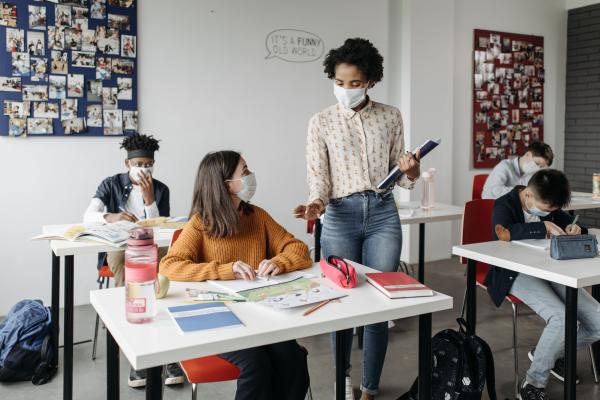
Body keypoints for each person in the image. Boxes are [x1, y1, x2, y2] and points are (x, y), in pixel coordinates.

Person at [294, 38, 420, 400]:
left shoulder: (390, 115)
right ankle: (341, 381)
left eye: (354, 82)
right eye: (339, 82)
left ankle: (369, 388)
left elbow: (404, 173)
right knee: (341, 302)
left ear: (370, 81)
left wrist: (412, 170)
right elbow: (318, 175)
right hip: (339, 215)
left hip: (383, 212)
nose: (345, 89)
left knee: (381, 303)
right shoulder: (321, 122)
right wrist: (316, 204)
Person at [160, 151, 311, 400]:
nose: (251, 176)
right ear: (225, 185)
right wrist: (225, 270)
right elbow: (169, 265)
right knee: (256, 365)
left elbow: (298, 248)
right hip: (220, 319)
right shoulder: (200, 223)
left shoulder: (257, 216)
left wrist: (280, 262)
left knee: (293, 359)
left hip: (260, 315)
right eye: (245, 172)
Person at [485, 169, 600, 400]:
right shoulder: (505, 204)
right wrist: (543, 226)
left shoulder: (550, 206)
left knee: (598, 321)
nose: (548, 214)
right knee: (560, 318)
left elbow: (571, 225)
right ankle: (533, 386)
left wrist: (575, 229)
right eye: (546, 209)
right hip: (512, 272)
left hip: (549, 270)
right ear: (528, 194)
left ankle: (546, 354)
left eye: (552, 211)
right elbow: (503, 233)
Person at [82, 134, 183, 388]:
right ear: (127, 164)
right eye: (138, 164)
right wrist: (112, 216)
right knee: (125, 262)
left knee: (168, 266)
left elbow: (160, 227)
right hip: (121, 247)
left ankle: (167, 349)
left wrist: (150, 200)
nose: (144, 169)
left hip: (152, 245)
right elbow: (88, 216)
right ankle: (137, 351)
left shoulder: (160, 189)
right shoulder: (110, 184)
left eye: (148, 164)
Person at [481, 141, 553, 199]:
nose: (537, 168)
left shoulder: (531, 173)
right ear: (528, 155)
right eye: (537, 163)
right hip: (492, 207)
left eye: (541, 167)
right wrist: (523, 191)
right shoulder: (504, 166)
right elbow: (493, 191)